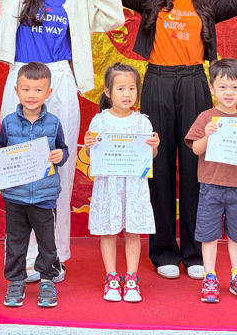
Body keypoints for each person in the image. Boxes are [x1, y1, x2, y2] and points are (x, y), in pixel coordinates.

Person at [0, 0, 124, 281]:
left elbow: (115, 17)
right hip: (21, 77)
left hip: (59, 80)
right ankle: (22, 254)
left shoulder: (77, 0)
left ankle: (53, 255)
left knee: (59, 165)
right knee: (17, 163)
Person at [103, 0, 237, 280]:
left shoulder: (207, 5)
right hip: (156, 82)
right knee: (159, 166)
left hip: (194, 83)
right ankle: (164, 252)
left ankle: (194, 251)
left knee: (193, 167)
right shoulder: (152, 0)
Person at [0, 62, 69, 309]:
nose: (32, 95)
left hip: (44, 196)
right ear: (16, 91)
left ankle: (47, 280)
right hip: (15, 197)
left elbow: (63, 150)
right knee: (15, 242)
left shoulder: (54, 123)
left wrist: (60, 155)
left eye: (38, 90)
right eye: (26, 89)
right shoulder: (9, 122)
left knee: (47, 243)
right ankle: (16, 281)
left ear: (48, 92)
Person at [185, 58, 237, 304]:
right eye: (222, 87)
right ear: (212, 88)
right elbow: (196, 149)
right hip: (210, 186)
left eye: (235, 87)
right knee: (208, 234)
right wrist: (207, 136)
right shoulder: (206, 117)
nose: (229, 93)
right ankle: (209, 277)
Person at [84, 64, 159, 303]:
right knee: (108, 232)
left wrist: (154, 147)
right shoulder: (99, 121)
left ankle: (132, 277)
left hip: (134, 186)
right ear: (108, 92)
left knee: (133, 231)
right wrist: (89, 145)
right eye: (120, 89)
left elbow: (149, 157)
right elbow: (91, 154)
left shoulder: (143, 122)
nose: (127, 94)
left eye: (132, 88)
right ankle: (112, 278)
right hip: (108, 186)